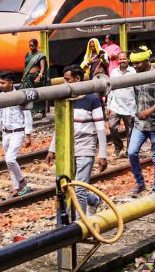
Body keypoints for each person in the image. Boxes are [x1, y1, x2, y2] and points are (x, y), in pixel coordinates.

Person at [45, 65, 108, 214]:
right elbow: (60, 127)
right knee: (68, 185)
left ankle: (81, 224)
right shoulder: (65, 99)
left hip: (86, 146)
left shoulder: (92, 99)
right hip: (68, 147)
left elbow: (100, 129)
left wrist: (103, 155)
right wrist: (52, 149)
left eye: (67, 80)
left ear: (77, 79)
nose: (64, 83)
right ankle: (93, 200)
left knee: (79, 188)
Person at [127, 50, 155, 195]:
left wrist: (150, 111)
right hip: (140, 123)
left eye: (138, 63)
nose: (135, 66)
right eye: (133, 64)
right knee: (132, 152)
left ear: (146, 62)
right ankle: (140, 183)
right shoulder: (135, 77)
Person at [0, 72, 33, 197]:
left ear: (11, 83)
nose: (1, 85)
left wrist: (28, 135)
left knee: (10, 159)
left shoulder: (20, 96)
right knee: (8, 162)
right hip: (5, 133)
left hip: (18, 132)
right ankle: (16, 187)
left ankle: (22, 182)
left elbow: (27, 116)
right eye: (0, 83)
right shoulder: (0, 97)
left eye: (3, 83)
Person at [106, 52, 137, 157]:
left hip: (129, 106)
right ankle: (118, 146)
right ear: (117, 60)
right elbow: (111, 89)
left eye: (124, 59)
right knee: (112, 126)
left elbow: (136, 90)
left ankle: (130, 150)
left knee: (130, 130)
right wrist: (108, 105)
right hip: (116, 105)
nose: (122, 61)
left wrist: (137, 107)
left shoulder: (133, 72)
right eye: (120, 59)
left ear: (128, 59)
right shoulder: (114, 72)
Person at [22, 38, 49, 118]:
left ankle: (42, 111)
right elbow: (25, 67)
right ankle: (28, 112)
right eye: (30, 46)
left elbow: (43, 68)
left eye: (33, 46)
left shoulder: (40, 55)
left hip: (36, 77)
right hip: (28, 77)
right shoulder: (27, 55)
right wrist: (23, 77)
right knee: (27, 94)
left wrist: (39, 76)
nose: (31, 47)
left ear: (37, 45)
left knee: (38, 94)